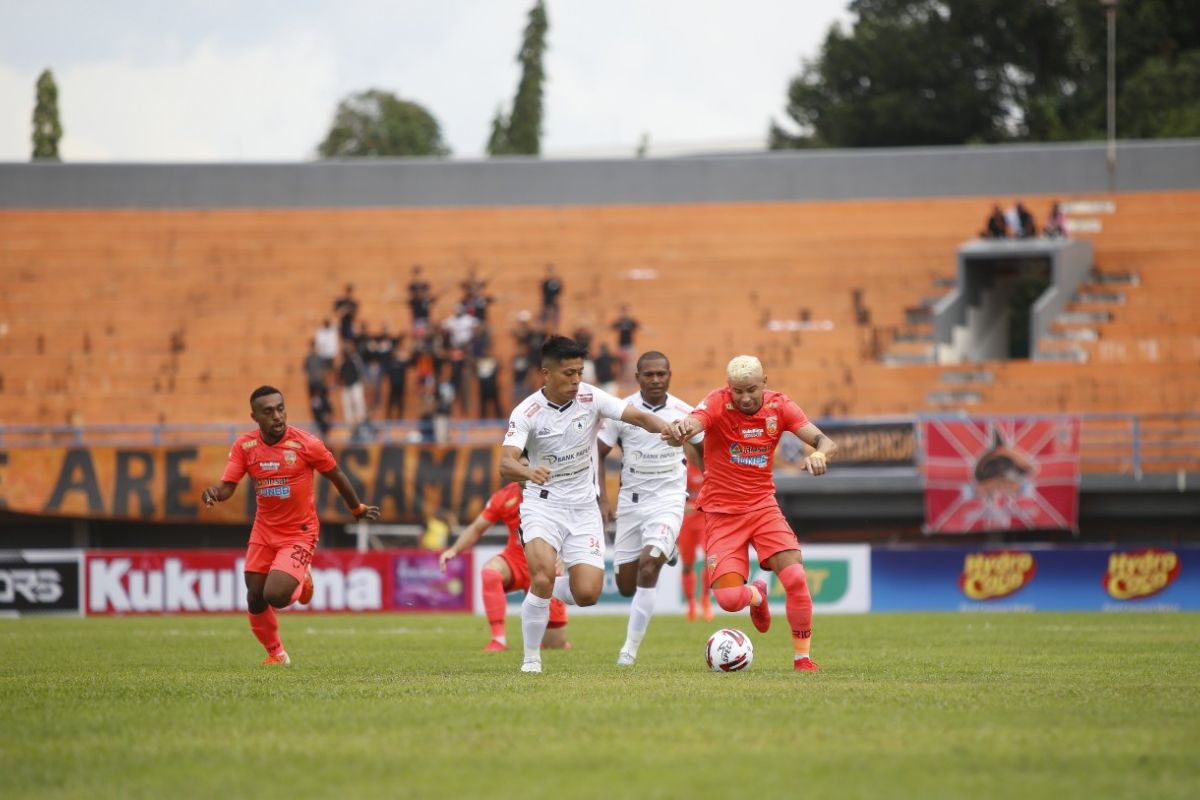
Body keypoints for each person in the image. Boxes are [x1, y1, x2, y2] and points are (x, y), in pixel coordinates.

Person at [500, 335, 680, 674]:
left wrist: (668, 429)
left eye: (580, 372)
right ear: (546, 374)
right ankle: (531, 659)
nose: (575, 380)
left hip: (583, 508)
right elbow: (505, 463)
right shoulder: (528, 412)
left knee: (587, 594)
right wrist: (527, 469)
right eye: (568, 373)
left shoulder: (590, 397)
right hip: (543, 505)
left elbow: (638, 416)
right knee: (541, 577)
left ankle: (541, 589)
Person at [664, 355, 837, 672]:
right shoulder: (717, 402)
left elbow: (825, 441)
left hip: (762, 508)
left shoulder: (780, 407)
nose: (744, 398)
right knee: (729, 601)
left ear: (765, 383)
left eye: (751, 390)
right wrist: (682, 428)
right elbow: (694, 421)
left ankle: (803, 659)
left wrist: (819, 455)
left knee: (796, 577)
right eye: (737, 391)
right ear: (728, 388)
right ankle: (757, 595)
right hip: (721, 513)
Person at [201, 386, 381, 665]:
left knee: (277, 595)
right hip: (264, 530)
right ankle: (277, 654)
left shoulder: (307, 444)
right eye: (268, 411)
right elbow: (228, 487)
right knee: (255, 598)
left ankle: (303, 578)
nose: (277, 416)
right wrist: (214, 492)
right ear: (255, 417)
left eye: (280, 408)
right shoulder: (244, 447)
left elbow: (337, 475)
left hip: (299, 532)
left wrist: (356, 508)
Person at [597, 351, 703, 667]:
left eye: (662, 374)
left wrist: (710, 486)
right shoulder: (622, 411)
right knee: (627, 587)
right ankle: (663, 549)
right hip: (631, 503)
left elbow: (703, 449)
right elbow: (598, 453)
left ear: (670, 375)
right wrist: (602, 498)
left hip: (669, 500)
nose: (656, 380)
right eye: (649, 374)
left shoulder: (685, 412)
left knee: (648, 566)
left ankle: (628, 650)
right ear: (638, 377)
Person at [439, 479, 571, 652]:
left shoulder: (557, 492)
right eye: (521, 467)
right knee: (490, 573)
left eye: (529, 466)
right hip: (515, 560)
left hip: (545, 565)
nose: (526, 472)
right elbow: (477, 527)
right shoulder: (504, 497)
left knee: (556, 645)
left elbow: (576, 524)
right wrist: (454, 550)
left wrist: (565, 553)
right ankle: (499, 639)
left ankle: (554, 639)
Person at [676, 461, 713, 622]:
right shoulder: (681, 466)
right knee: (687, 565)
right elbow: (674, 494)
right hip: (687, 522)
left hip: (705, 521)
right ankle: (691, 603)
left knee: (710, 560)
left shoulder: (709, 464)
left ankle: (705, 599)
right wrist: (683, 507)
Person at [540, 264, 562, 329]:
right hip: (546, 301)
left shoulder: (557, 282)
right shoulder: (545, 282)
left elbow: (559, 291)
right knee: (545, 316)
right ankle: (544, 327)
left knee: (555, 316)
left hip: (555, 302)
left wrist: (556, 298)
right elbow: (543, 291)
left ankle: (555, 327)